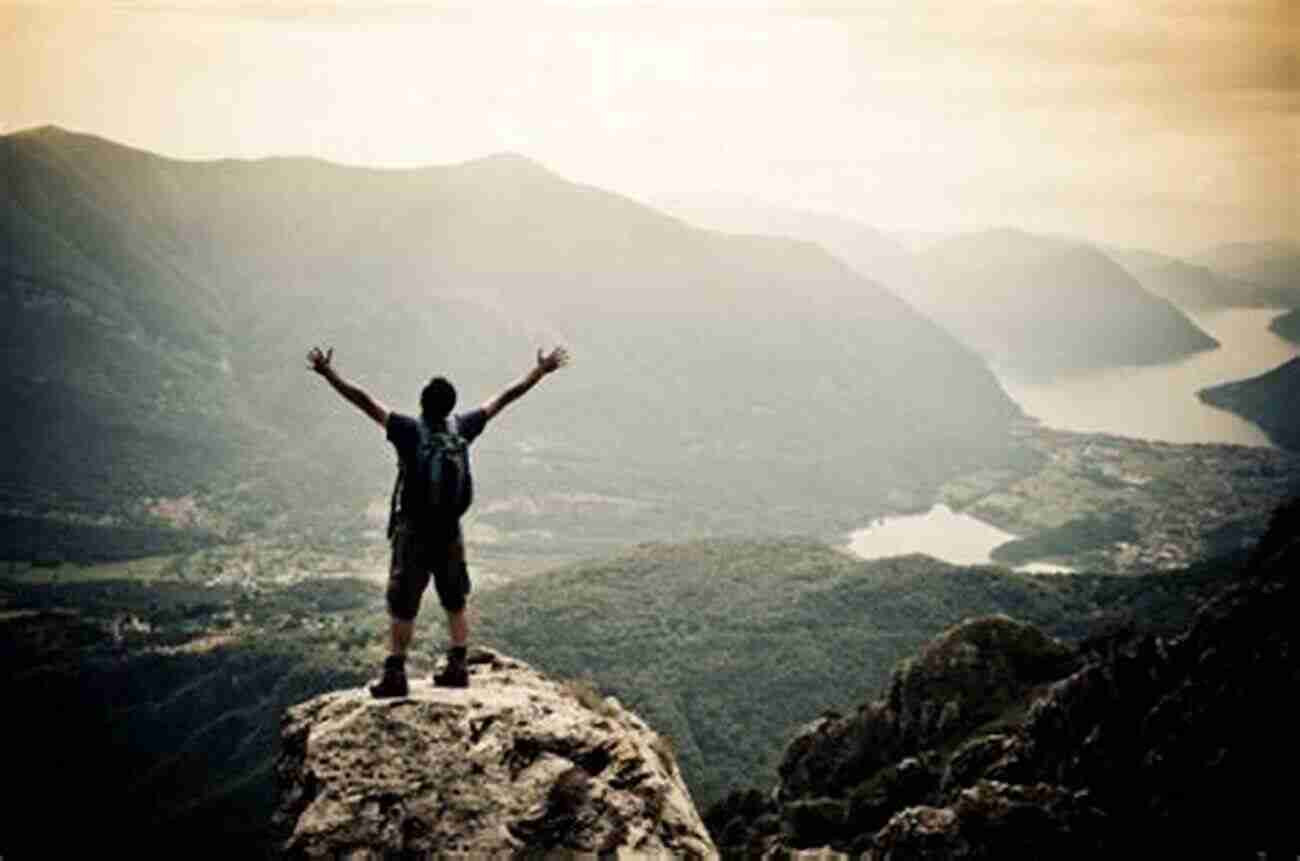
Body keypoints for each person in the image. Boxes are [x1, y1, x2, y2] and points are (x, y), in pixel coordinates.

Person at [307, 344, 570, 695]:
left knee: (403, 604)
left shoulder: (406, 430)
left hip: (413, 532)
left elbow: (363, 400)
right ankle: (458, 666)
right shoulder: (462, 427)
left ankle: (395, 673)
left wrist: (328, 374)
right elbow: (506, 397)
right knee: (455, 598)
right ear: (450, 405)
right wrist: (541, 370)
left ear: (422, 403)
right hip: (450, 531)